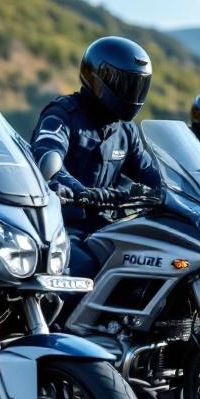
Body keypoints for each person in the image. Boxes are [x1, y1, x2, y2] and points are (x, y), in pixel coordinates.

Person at [30, 36, 161, 276]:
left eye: (138, 86)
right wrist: (77, 190)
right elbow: (48, 157)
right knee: (87, 267)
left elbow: (148, 171)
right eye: (126, 85)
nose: (132, 94)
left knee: (150, 261)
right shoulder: (62, 115)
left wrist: (176, 188)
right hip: (60, 225)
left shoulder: (125, 131)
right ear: (98, 78)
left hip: (105, 228)